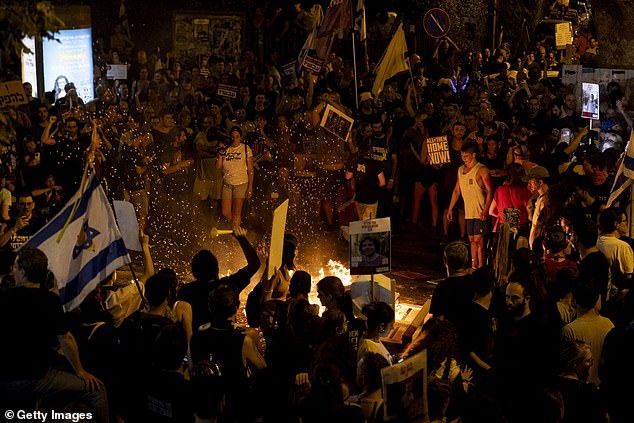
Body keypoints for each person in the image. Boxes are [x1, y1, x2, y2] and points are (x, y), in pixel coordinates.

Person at [0, 248, 109, 422]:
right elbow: (65, 338)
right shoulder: (50, 301)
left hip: (5, 378)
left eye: (15, 267)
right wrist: (80, 371)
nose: (13, 271)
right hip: (35, 379)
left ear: (23, 271)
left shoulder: (4, 297)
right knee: (97, 390)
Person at [177, 226, 260, 332]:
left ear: (194, 272)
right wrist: (242, 239)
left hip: (197, 344)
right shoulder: (226, 288)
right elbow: (254, 264)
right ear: (217, 269)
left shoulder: (186, 291)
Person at [447, 141, 493, 268]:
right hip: (469, 213)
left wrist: (485, 209)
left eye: (466, 156)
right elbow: (457, 190)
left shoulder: (482, 170)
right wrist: (450, 208)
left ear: (473, 154)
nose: (464, 159)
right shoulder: (460, 170)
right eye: (462, 156)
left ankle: (481, 267)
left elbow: (490, 191)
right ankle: (474, 265)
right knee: (472, 240)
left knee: (479, 241)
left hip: (479, 212)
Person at [216, 126, 254, 229]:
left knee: (237, 211)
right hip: (227, 183)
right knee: (225, 212)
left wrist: (250, 187)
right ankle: (233, 227)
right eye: (232, 136)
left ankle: (235, 232)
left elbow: (250, 169)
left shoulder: (245, 149)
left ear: (240, 137)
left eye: (237, 136)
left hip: (241, 183)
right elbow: (218, 166)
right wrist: (220, 153)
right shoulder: (226, 148)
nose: (234, 139)